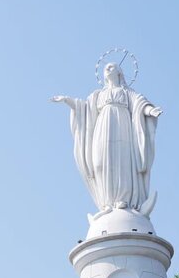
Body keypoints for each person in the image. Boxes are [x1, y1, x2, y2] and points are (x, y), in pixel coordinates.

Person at [52, 62, 161, 216]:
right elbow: (83, 108)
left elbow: (140, 104)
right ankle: (106, 202)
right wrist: (67, 100)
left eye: (111, 67)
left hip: (122, 126)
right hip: (102, 127)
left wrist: (151, 111)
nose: (107, 69)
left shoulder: (127, 92)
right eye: (105, 68)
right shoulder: (97, 95)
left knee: (121, 161)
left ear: (119, 72)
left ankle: (122, 199)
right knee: (99, 162)